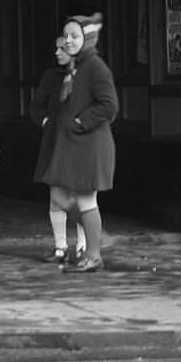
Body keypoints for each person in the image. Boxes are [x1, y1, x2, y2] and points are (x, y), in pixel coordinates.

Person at [33, 14, 119, 273]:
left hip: (89, 145)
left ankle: (93, 254)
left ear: (88, 39)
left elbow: (109, 105)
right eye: (66, 35)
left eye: (75, 36)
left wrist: (81, 122)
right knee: (59, 195)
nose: (68, 41)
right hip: (74, 144)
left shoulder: (95, 66)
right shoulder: (77, 67)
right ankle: (96, 240)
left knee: (85, 200)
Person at [29, 35, 89, 263]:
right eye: (56, 48)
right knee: (57, 196)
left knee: (80, 195)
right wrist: (46, 122)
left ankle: (83, 246)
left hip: (79, 142)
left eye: (62, 49)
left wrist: (82, 126)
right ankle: (60, 247)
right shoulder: (51, 76)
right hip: (55, 142)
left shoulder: (86, 75)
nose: (57, 53)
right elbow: (35, 106)